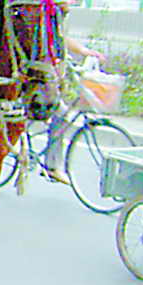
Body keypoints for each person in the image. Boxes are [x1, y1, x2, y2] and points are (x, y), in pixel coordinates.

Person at [44, 36, 106, 182]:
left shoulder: (54, 19)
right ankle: (52, 166)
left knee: (61, 113)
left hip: (52, 79)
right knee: (61, 114)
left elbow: (62, 36)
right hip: (37, 80)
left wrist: (84, 52)